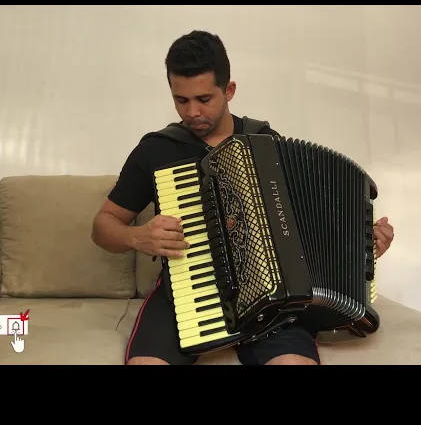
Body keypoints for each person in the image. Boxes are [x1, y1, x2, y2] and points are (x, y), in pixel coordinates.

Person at [91, 30, 395, 365]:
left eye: (204, 99)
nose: (192, 112)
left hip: (270, 297)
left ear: (229, 90)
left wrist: (362, 245)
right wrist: (136, 236)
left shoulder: (265, 143)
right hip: (185, 291)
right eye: (181, 100)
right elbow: (103, 225)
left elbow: (305, 231)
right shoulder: (157, 150)